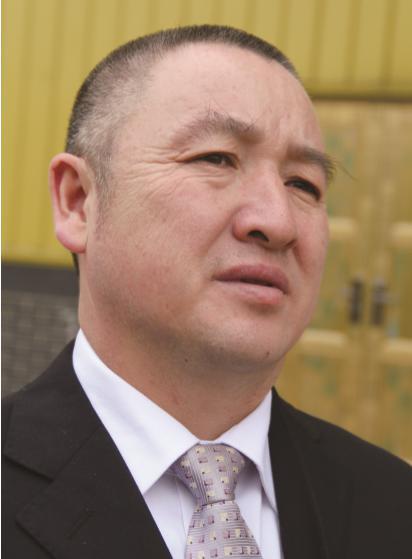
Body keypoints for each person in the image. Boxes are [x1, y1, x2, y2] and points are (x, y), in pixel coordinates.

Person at [3, 25, 411, 559]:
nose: (277, 221)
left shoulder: (392, 503)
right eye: (216, 159)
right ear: (79, 201)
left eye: (303, 184)